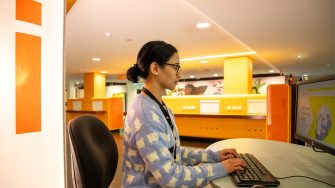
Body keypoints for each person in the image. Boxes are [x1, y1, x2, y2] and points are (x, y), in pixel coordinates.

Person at [123, 41, 246, 187]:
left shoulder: (158, 105)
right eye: (175, 67)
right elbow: (171, 178)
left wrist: (214, 156)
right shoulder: (146, 115)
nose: (179, 74)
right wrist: (222, 167)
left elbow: (172, 152)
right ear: (155, 68)